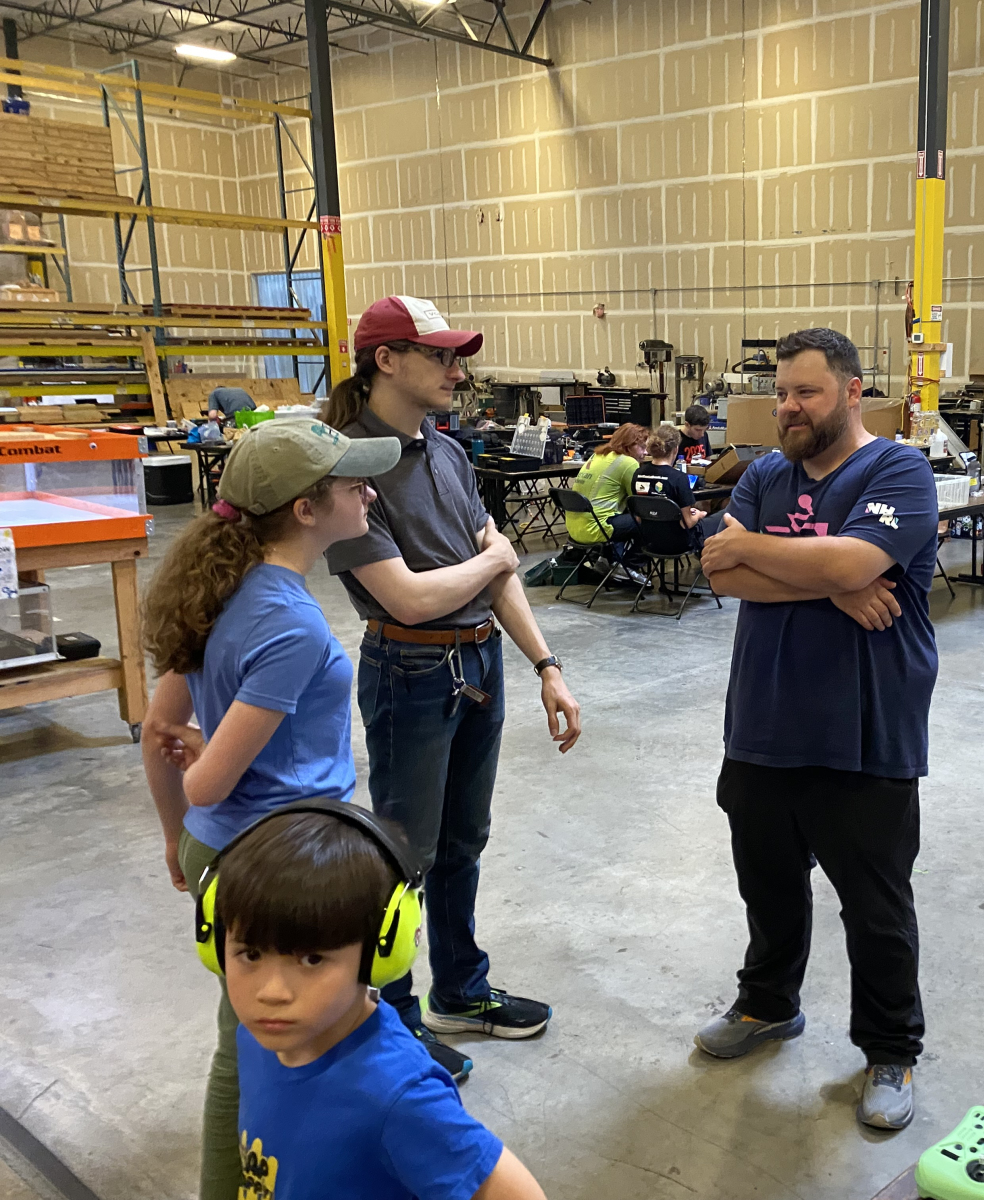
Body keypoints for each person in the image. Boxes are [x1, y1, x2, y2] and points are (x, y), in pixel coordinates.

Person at [321, 295, 581, 1084]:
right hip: (411, 669)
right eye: (438, 356)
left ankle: (460, 990)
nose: (457, 371)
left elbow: (494, 577)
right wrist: (495, 557)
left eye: (455, 357)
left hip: (478, 664)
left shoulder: (446, 451)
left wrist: (545, 664)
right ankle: (393, 1019)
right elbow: (407, 598)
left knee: (465, 842)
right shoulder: (346, 466)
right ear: (386, 360)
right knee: (403, 858)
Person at [140, 419, 402, 1200]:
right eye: (352, 484)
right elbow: (206, 780)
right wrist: (199, 775)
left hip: (221, 847)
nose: (369, 493)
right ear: (305, 509)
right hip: (275, 860)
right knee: (253, 1046)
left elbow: (159, 730)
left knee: (257, 1036)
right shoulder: (290, 623)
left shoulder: (224, 590)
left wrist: (177, 837)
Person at [694, 327, 939, 1130]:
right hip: (763, 723)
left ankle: (891, 1049)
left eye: (806, 391)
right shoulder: (767, 472)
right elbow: (720, 571)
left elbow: (844, 563)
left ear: (852, 392)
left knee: (875, 907)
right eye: (781, 393)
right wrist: (833, 580)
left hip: (863, 731)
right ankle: (768, 1005)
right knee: (766, 884)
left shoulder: (897, 469)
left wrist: (814, 563)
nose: (788, 407)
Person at [204, 804, 548, 1200]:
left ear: (378, 955)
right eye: (250, 954)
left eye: (312, 959)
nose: (271, 992)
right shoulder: (257, 1038)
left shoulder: (398, 1095)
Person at [632, 422, 719, 548]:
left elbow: (639, 517)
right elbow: (687, 523)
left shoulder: (637, 474)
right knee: (719, 518)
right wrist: (699, 515)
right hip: (678, 542)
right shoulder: (679, 478)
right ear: (675, 449)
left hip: (648, 539)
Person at [568, 421, 649, 544]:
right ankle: (634, 557)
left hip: (574, 528)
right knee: (649, 519)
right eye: (642, 447)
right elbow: (639, 500)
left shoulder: (597, 455)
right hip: (597, 528)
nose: (646, 452)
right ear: (628, 445)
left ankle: (616, 553)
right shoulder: (628, 462)